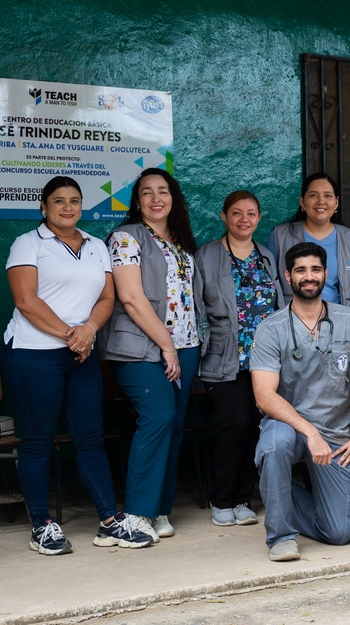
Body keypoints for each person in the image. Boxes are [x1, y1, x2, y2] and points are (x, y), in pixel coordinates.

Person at [0, 176, 153, 555]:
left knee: (89, 440)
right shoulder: (28, 244)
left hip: (81, 353)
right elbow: (26, 301)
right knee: (37, 442)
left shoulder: (97, 246)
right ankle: (42, 526)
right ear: (44, 207)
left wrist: (89, 330)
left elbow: (106, 297)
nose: (67, 207)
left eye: (74, 201)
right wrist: (74, 335)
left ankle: (109, 520)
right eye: (58, 201)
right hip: (33, 353)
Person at [100, 168, 206, 543]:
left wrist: (183, 346)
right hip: (142, 350)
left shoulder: (179, 240)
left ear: (173, 198)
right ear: (137, 200)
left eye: (163, 191)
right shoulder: (127, 238)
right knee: (158, 417)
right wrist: (165, 344)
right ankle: (137, 514)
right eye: (147, 192)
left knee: (173, 428)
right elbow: (130, 297)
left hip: (186, 347)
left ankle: (160, 509)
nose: (156, 198)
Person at [250, 242, 350, 561]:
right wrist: (309, 431)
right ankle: (280, 535)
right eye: (301, 270)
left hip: (334, 434)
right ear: (288, 276)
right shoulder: (271, 328)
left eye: (315, 269)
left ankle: (279, 495)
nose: (309, 276)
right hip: (288, 427)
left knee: (339, 533)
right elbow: (264, 397)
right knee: (274, 446)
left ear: (326, 274)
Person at [196, 190, 283, 527]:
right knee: (236, 424)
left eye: (250, 214)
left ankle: (243, 499)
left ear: (259, 219)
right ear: (224, 217)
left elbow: (276, 306)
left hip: (263, 358)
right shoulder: (208, 255)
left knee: (256, 428)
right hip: (223, 356)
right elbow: (197, 308)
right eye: (236, 213)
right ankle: (221, 500)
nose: (243, 219)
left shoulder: (266, 256)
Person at [267, 172, 350, 306]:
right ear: (302, 201)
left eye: (328, 196)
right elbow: (268, 282)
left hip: (338, 319)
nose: (321, 201)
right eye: (313, 195)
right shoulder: (280, 236)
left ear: (336, 202)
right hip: (291, 318)